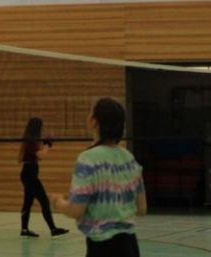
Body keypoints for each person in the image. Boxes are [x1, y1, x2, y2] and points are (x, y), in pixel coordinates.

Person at [54, 97, 146, 257]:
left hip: (102, 247)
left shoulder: (88, 159)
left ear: (94, 122)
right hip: (130, 245)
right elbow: (142, 208)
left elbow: (76, 210)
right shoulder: (129, 158)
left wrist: (57, 202)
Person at [18, 117, 69, 238]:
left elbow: (28, 158)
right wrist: (47, 144)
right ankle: (53, 229)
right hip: (30, 174)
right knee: (44, 201)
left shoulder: (30, 140)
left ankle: (24, 230)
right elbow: (41, 156)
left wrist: (45, 144)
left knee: (28, 202)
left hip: (28, 173)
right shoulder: (31, 141)